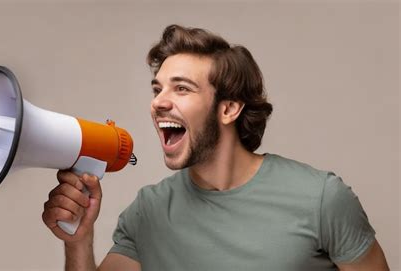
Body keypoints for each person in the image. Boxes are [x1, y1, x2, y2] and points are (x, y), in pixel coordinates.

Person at [42, 25, 389, 271]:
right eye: (157, 89)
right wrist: (79, 241)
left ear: (228, 108)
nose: (159, 103)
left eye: (181, 89)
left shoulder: (321, 198)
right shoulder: (147, 212)